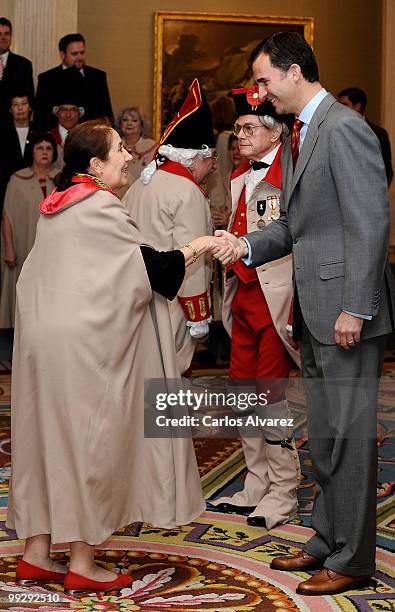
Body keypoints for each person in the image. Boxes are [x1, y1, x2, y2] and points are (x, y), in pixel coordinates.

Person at [6, 120, 226, 594]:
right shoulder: (99, 204)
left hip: (48, 346)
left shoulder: (56, 207)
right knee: (92, 442)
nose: (130, 156)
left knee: (49, 441)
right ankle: (83, 563)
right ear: (95, 165)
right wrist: (201, 245)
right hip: (85, 350)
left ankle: (37, 554)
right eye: (119, 150)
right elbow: (145, 270)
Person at [213, 31, 395, 596]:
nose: (260, 92)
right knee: (324, 438)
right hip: (312, 312)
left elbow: (371, 223)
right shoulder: (300, 134)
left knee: (350, 438)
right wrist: (244, 246)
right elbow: (295, 226)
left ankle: (353, 558)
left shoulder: (345, 128)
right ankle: (326, 538)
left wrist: (354, 308)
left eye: (264, 80)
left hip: (345, 314)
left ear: (295, 73)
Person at [210, 88, 300, 530]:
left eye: (248, 128)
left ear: (274, 130)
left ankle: (283, 490)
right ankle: (258, 480)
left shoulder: (294, 170)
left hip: (277, 300)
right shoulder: (241, 172)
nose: (239, 135)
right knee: (242, 393)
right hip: (243, 296)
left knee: (271, 397)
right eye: (238, 128)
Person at [123, 79, 216, 375]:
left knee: (143, 371)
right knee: (171, 375)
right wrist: (198, 313)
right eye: (212, 158)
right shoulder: (187, 192)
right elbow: (193, 256)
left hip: (137, 296)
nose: (214, 166)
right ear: (196, 157)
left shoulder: (140, 184)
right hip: (173, 302)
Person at [0, 133, 57, 328]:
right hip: (24, 243)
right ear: (32, 152)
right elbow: (7, 215)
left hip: (54, 247)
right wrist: (8, 248)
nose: (44, 152)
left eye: (48, 148)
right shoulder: (17, 179)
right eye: (39, 148)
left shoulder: (62, 178)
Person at [34, 33, 113, 130]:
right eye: (74, 54)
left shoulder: (97, 77)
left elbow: (106, 113)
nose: (80, 57)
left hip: (89, 136)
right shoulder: (47, 79)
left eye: (82, 53)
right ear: (63, 55)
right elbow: (40, 115)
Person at [337, 87, 393, 186]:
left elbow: (387, 170)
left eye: (344, 105)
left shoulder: (379, 133)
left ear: (357, 106)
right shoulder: (335, 130)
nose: (339, 109)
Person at [0, 93, 35, 213]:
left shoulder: (39, 131)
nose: (20, 108)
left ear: (30, 107)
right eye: (15, 105)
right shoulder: (2, 133)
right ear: (10, 109)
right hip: (6, 188)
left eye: (24, 104)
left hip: (33, 187)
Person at [114, 106, 157, 198]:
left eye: (134, 120)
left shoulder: (153, 147)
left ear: (142, 125)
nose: (129, 123)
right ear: (120, 124)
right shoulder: (112, 145)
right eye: (125, 120)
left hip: (145, 196)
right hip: (118, 197)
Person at [0, 18, 34, 124]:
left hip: (14, 126)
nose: (3, 37)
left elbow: (30, 98)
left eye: (7, 34)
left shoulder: (24, 64)